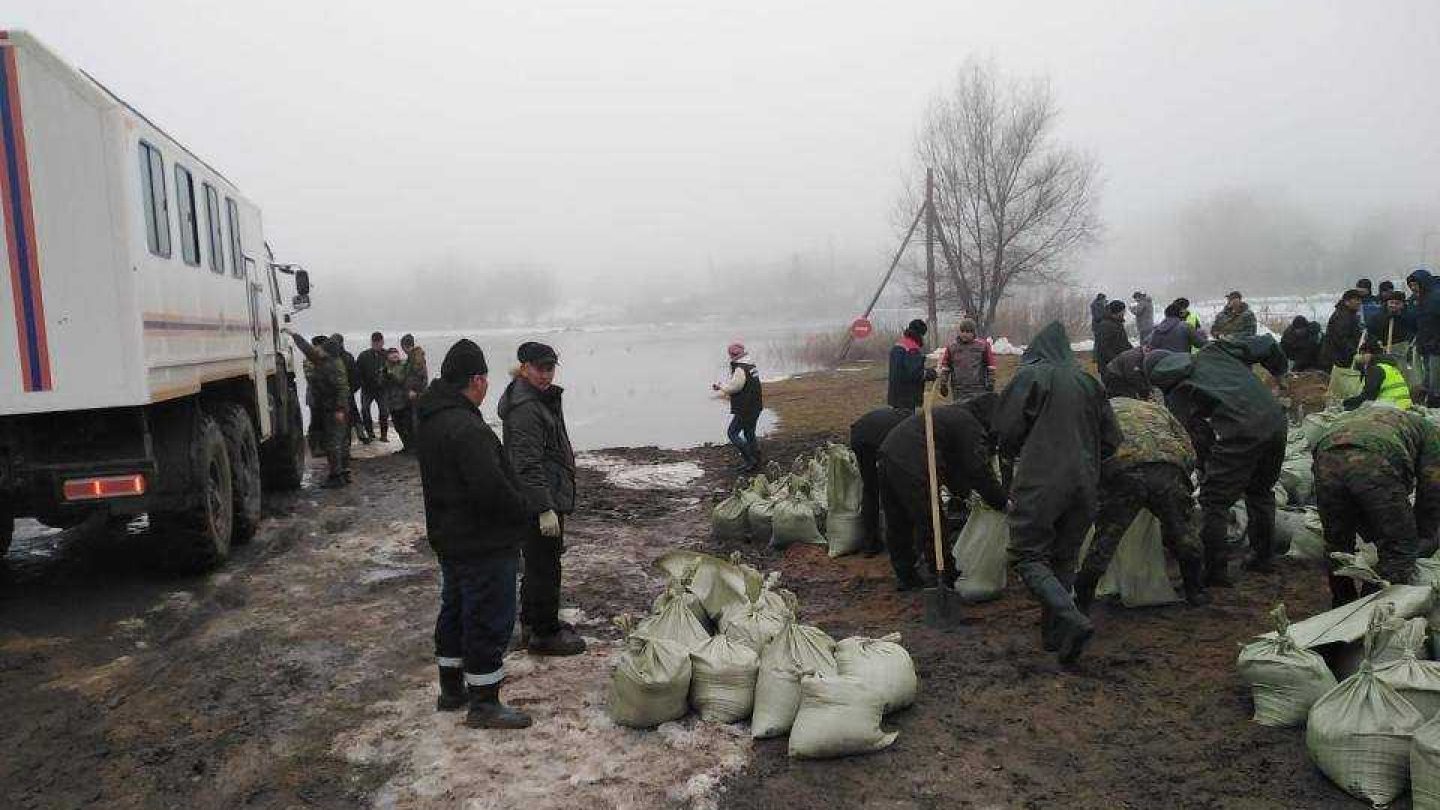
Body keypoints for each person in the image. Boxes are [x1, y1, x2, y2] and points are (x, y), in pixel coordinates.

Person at [416, 338, 534, 729]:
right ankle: (484, 703)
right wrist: (522, 513)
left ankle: (451, 690)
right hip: (483, 541)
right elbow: (491, 489)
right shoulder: (466, 428)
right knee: (488, 616)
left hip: (452, 538)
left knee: (456, 609)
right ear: (477, 380)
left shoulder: (432, 419)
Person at [994, 322, 1121, 664]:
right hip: (1085, 483)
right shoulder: (1089, 381)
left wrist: (1016, 453)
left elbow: (1005, 431)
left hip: (1041, 481)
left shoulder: (1033, 376)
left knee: (1027, 556)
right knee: (1064, 557)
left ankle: (1073, 619)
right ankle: (1055, 638)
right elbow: (1112, 440)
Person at [1146, 336, 1288, 585]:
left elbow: (1195, 436)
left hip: (1241, 430)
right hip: (1275, 420)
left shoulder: (1177, 391)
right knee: (1261, 491)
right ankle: (1263, 557)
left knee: (1214, 501)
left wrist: (1202, 467)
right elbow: (1265, 343)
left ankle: (1215, 572)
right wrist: (1279, 372)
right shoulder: (1215, 351)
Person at [1074, 397, 1209, 612]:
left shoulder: (1095, 409)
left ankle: (1081, 602)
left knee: (1105, 541)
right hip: (1167, 470)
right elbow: (1188, 447)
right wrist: (1183, 479)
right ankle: (1196, 592)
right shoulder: (1155, 409)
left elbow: (1085, 451)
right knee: (1185, 535)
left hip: (1123, 473)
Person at [498, 341, 583, 656]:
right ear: (525, 368)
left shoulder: (538, 397)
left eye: (550, 368)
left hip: (546, 492)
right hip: (539, 498)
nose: (547, 374)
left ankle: (533, 622)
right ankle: (545, 634)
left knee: (539, 562)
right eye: (540, 368)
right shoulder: (526, 408)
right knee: (545, 565)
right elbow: (527, 464)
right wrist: (544, 507)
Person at [1312, 406, 1440, 607]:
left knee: (1337, 543)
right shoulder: (1432, 434)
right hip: (1375, 458)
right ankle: (1371, 607)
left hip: (1326, 455)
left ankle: (1341, 605)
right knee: (1399, 549)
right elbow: (1432, 490)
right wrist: (1423, 536)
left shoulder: (1392, 418)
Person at [876, 394, 1006, 591]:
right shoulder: (969, 424)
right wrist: (1001, 501)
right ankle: (945, 577)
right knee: (932, 520)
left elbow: (954, 465)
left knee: (898, 519)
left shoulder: (954, 416)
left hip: (888, 453)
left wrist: (963, 493)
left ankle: (906, 575)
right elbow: (977, 469)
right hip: (913, 461)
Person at [286, 329, 350, 487]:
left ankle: (337, 476)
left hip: (336, 408)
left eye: (321, 348)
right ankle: (342, 473)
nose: (318, 350)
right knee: (336, 441)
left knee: (334, 442)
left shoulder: (334, 366)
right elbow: (307, 349)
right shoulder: (324, 360)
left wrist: (340, 410)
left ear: (327, 351)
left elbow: (342, 389)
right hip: (329, 407)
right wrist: (295, 335)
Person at [849, 406, 912, 557]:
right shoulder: (910, 428)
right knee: (892, 489)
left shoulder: (900, 418)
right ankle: (898, 540)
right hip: (875, 439)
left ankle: (870, 545)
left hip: (858, 435)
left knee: (870, 489)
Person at [712, 343, 763, 472]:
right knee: (749, 433)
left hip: (745, 407)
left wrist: (721, 387)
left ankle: (750, 459)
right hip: (755, 405)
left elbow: (735, 387)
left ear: (732, 355)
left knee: (732, 433)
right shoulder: (751, 366)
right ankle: (756, 458)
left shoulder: (740, 368)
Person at [1343, 339, 1413, 411]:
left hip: (1393, 408)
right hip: (1404, 407)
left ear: (1368, 355)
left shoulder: (1376, 369)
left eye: (1362, 354)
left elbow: (1369, 396)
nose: (1361, 358)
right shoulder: (1389, 366)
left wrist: (1350, 402)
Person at [938, 318, 995, 401]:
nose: (964, 334)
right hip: (959, 389)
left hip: (978, 388)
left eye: (968, 332)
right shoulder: (952, 347)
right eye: (962, 331)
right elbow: (945, 367)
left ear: (973, 333)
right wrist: (943, 383)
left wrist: (991, 382)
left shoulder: (983, 346)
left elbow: (991, 365)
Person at [887, 319, 935, 411]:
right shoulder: (912, 348)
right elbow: (915, 373)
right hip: (907, 396)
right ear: (920, 334)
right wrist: (931, 373)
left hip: (895, 393)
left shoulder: (899, 344)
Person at [392, 334, 428, 450]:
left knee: (415, 420)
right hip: (412, 394)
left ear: (405, 346)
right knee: (410, 420)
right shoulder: (412, 357)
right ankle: (413, 446)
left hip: (416, 395)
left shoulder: (416, 358)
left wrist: (413, 390)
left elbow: (419, 377)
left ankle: (417, 447)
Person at [1409, 268, 1440, 406]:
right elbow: (1421, 324)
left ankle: (1434, 402)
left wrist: (1435, 341)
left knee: (1435, 378)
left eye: (1415, 284)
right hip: (1427, 344)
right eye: (1411, 286)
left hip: (1436, 346)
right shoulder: (1421, 299)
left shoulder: (1435, 298)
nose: (1413, 288)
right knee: (1429, 375)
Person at [331, 333, 367, 445]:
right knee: (352, 415)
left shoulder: (339, 358)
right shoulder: (346, 357)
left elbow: (355, 376)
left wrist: (350, 390)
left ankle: (349, 442)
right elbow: (356, 376)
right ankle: (359, 435)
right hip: (345, 391)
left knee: (347, 417)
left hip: (343, 392)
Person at [356, 331, 390, 443]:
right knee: (365, 410)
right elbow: (357, 372)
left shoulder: (387, 355)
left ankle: (384, 435)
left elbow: (394, 369)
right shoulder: (363, 356)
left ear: (382, 342)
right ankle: (370, 433)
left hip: (382, 389)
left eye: (379, 343)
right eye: (375, 343)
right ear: (371, 343)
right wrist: (361, 383)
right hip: (367, 389)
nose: (377, 345)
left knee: (384, 411)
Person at [1319, 289, 1365, 370]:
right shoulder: (1342, 317)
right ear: (1346, 302)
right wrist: (1354, 353)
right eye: (1356, 300)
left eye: (1360, 300)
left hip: (1340, 358)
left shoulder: (1349, 314)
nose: (1359, 302)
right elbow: (1342, 339)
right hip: (1337, 360)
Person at [382, 347, 412, 448]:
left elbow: (404, 380)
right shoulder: (385, 367)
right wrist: (384, 376)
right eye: (392, 354)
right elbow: (380, 384)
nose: (394, 355)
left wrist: (393, 377)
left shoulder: (404, 365)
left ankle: (411, 447)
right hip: (391, 402)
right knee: (398, 426)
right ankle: (406, 446)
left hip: (404, 401)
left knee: (407, 425)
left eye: (396, 353)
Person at [1093, 300, 1133, 372]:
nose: (1124, 312)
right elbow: (1104, 347)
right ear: (1119, 311)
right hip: (1110, 366)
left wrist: (1132, 352)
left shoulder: (1117, 323)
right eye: (1123, 310)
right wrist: (1116, 360)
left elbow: (1124, 342)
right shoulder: (1106, 325)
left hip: (1117, 363)